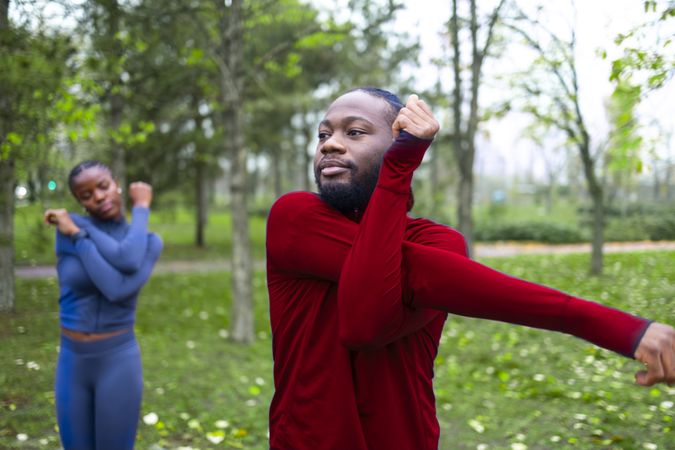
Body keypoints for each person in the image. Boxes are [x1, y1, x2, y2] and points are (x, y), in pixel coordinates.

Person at [265, 87, 675, 450]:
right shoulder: (294, 218)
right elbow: (366, 322)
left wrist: (398, 170)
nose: (330, 145)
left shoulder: (438, 242)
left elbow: (364, 318)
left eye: (353, 132)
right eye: (324, 134)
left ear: (398, 145)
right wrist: (621, 328)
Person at [44, 160, 163, 450]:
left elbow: (118, 283)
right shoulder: (67, 227)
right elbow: (119, 260)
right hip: (72, 361)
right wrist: (74, 231)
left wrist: (142, 208)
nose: (97, 197)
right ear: (79, 202)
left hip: (117, 361)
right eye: (85, 195)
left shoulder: (149, 242)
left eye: (103, 186)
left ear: (117, 184)